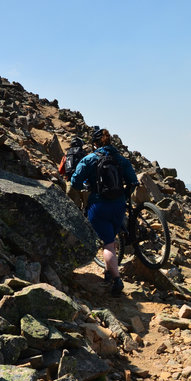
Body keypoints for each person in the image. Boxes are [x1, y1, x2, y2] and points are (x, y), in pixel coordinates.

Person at [70, 127, 138, 296]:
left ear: (95, 144)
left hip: (99, 206)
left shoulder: (90, 158)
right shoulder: (120, 159)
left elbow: (75, 181)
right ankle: (108, 273)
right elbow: (133, 181)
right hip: (119, 206)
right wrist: (123, 196)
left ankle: (116, 279)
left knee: (107, 244)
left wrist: (84, 187)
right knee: (111, 238)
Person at [57, 136, 92, 210]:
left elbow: (60, 170)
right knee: (88, 208)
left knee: (73, 209)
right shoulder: (85, 155)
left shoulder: (67, 155)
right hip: (84, 184)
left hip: (71, 183)